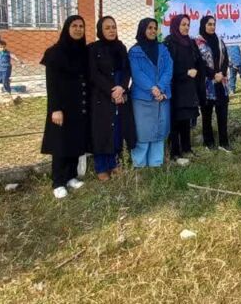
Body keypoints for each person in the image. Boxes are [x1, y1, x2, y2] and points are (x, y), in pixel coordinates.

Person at [40, 16, 89, 199]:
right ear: (67, 28)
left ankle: (70, 177)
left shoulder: (83, 51)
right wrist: (55, 109)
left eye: (81, 26)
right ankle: (58, 182)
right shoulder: (54, 53)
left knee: (75, 140)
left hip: (79, 104)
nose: (78, 29)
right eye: (74, 26)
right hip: (62, 106)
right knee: (60, 144)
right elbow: (51, 84)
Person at [88, 16, 136, 180]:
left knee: (117, 131)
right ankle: (101, 167)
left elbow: (127, 70)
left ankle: (114, 163)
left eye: (113, 27)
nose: (111, 31)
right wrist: (111, 91)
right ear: (100, 30)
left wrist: (122, 87)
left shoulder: (120, 47)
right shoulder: (93, 49)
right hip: (102, 96)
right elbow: (94, 74)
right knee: (102, 131)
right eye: (107, 28)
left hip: (120, 94)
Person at [129, 18, 173, 169]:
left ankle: (156, 164)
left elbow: (168, 69)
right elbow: (136, 73)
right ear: (142, 29)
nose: (153, 31)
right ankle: (139, 165)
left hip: (161, 95)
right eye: (149, 28)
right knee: (143, 132)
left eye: (155, 28)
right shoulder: (135, 51)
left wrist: (160, 87)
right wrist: (152, 88)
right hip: (142, 98)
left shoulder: (162, 48)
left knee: (159, 130)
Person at [164, 15, 205, 163]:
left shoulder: (190, 42)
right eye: (183, 24)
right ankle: (175, 152)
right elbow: (167, 67)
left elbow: (199, 62)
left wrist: (198, 72)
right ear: (176, 26)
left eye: (188, 24)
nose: (186, 27)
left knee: (186, 119)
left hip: (189, 88)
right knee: (175, 121)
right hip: (175, 88)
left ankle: (187, 148)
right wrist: (185, 73)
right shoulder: (169, 42)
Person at [196, 15, 231, 152]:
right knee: (207, 115)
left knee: (222, 114)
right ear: (203, 25)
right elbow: (199, 63)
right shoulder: (198, 42)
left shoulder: (219, 40)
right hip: (207, 84)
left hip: (221, 82)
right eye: (209, 24)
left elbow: (225, 59)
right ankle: (208, 142)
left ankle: (224, 142)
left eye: (214, 24)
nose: (212, 27)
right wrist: (212, 75)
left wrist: (221, 73)